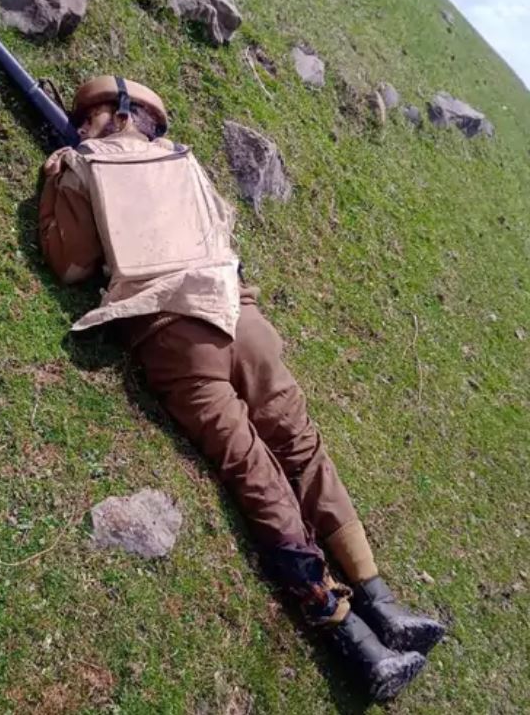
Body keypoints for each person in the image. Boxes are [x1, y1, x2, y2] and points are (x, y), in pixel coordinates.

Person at [38, 76, 445, 702]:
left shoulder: (81, 162)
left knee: (252, 468)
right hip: (243, 316)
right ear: (146, 120)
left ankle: (352, 639)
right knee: (302, 446)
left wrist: (53, 184)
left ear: (102, 116)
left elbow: (72, 265)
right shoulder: (185, 162)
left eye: (83, 116)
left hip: (173, 333)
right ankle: (382, 602)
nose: (81, 124)